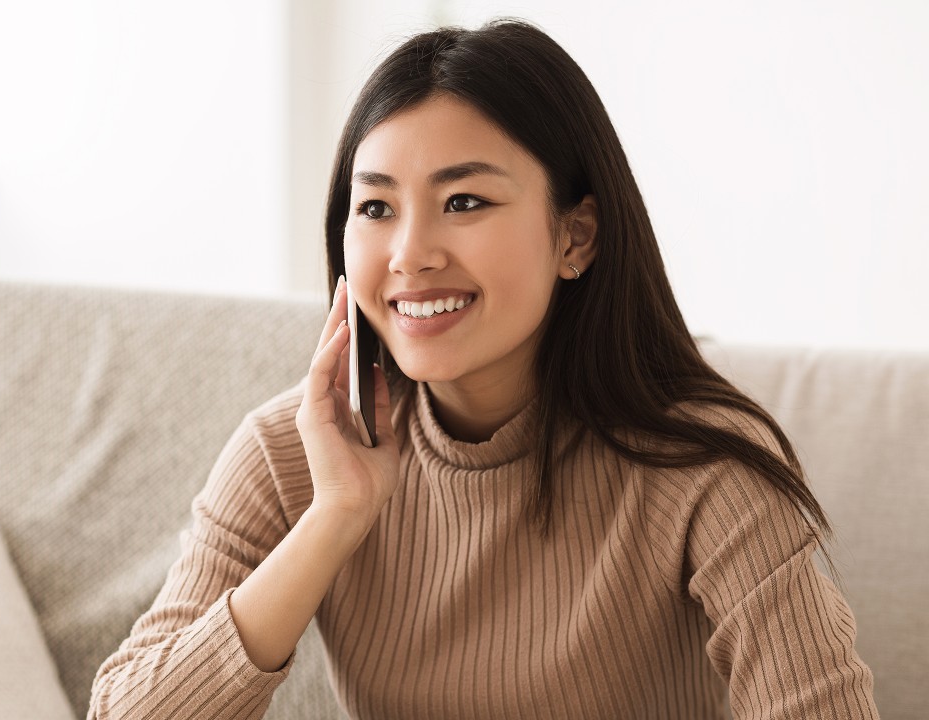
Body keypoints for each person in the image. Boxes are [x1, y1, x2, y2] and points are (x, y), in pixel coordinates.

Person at [88, 18, 878, 719]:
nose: (411, 255)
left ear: (576, 237)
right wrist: (335, 517)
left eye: (463, 202)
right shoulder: (291, 452)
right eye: (376, 207)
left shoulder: (705, 467)